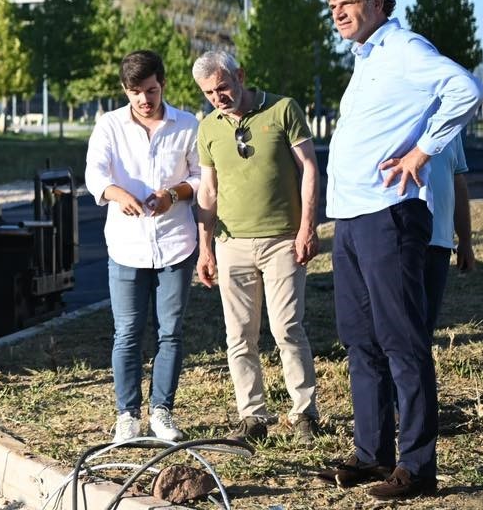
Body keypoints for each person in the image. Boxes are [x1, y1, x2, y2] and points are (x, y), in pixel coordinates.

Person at [316, 0, 481, 501]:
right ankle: (371, 455)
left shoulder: (404, 48)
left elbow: (465, 89)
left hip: (390, 214)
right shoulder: (364, 60)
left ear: (378, 1)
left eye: (347, 1)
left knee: (401, 342)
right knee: (360, 341)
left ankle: (418, 466)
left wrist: (423, 149)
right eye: (333, 4)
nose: (338, 12)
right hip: (353, 218)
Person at [191, 50, 320, 446]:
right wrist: (205, 247)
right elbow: (208, 190)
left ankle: (304, 414)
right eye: (209, 93)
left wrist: (307, 228)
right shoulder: (209, 128)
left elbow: (310, 169)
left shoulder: (283, 109)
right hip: (232, 245)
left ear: (240, 75)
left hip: (283, 240)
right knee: (239, 336)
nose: (218, 98)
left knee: (287, 329)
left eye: (223, 87)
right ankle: (253, 416)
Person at [86, 50, 200, 444]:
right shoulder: (109, 125)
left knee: (170, 332)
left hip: (175, 244)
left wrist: (174, 193)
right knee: (128, 332)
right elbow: (94, 175)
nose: (144, 100)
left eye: (150, 90)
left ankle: (162, 412)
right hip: (126, 245)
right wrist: (117, 194)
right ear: (125, 90)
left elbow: (202, 177)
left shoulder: (187, 124)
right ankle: (127, 414)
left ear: (163, 84)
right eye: (136, 92)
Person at [424, 131, 474, 332]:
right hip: (399, 239)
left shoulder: (451, 122)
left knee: (426, 324)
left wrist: (465, 240)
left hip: (439, 243)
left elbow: (457, 178)